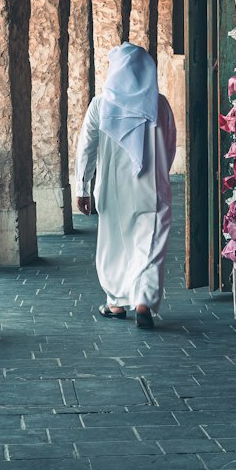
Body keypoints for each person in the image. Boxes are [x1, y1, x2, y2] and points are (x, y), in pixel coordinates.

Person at [74, 41, 177, 330]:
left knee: (115, 244)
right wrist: (160, 173)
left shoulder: (99, 105)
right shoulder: (160, 105)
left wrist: (82, 187)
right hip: (151, 188)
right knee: (151, 242)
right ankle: (143, 300)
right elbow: (169, 145)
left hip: (111, 190)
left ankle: (116, 302)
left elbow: (86, 148)